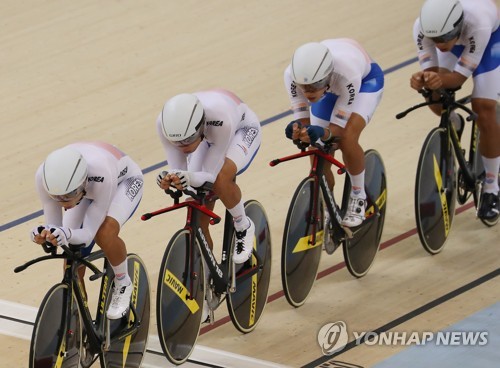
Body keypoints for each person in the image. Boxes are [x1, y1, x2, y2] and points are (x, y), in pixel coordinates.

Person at [156, 89, 261, 321]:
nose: (182, 146)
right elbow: (179, 168)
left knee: (222, 178)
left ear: (199, 126)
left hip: (240, 131)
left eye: (186, 140)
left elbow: (210, 176)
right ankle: (206, 285)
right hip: (206, 139)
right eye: (177, 142)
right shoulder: (164, 126)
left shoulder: (220, 119)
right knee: (196, 206)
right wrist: (170, 179)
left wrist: (189, 178)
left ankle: (243, 225)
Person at [30, 141, 144, 320]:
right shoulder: (43, 178)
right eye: (57, 198)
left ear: (82, 182)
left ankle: (123, 282)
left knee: (104, 233)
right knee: (71, 256)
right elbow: (55, 226)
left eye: (67, 196)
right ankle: (78, 317)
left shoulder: (101, 173)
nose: (63, 203)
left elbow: (88, 235)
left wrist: (66, 233)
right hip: (84, 193)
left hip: (123, 182)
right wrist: (45, 234)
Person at [410, 0, 499, 221]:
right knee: (433, 95)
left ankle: (491, 187)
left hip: (488, 43)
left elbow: (458, 78)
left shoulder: (478, 24)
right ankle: (454, 123)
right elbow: (432, 75)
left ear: (457, 27)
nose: (439, 43)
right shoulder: (422, 29)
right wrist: (423, 79)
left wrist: (438, 79)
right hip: (459, 42)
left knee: (483, 108)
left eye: (444, 37)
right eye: (435, 39)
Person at [283, 39, 384, 228]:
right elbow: (303, 120)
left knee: (346, 138)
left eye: (315, 85)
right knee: (317, 150)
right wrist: (298, 130)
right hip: (330, 89)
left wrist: (323, 133)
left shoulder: (347, 73)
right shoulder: (291, 75)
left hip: (364, 84)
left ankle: (358, 195)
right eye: (303, 87)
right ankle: (329, 209)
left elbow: (336, 130)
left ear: (327, 76)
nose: (308, 91)